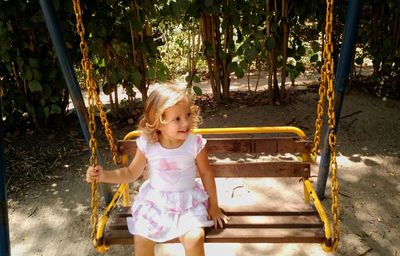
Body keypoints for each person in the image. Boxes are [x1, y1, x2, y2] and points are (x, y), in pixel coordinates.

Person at [86, 85, 229, 256]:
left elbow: (206, 173)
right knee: (141, 239)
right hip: (156, 204)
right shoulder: (148, 144)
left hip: (188, 203)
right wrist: (103, 175)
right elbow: (131, 173)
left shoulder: (194, 143)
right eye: (177, 119)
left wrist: (214, 206)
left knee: (194, 238)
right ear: (158, 123)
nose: (186, 122)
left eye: (188, 115)